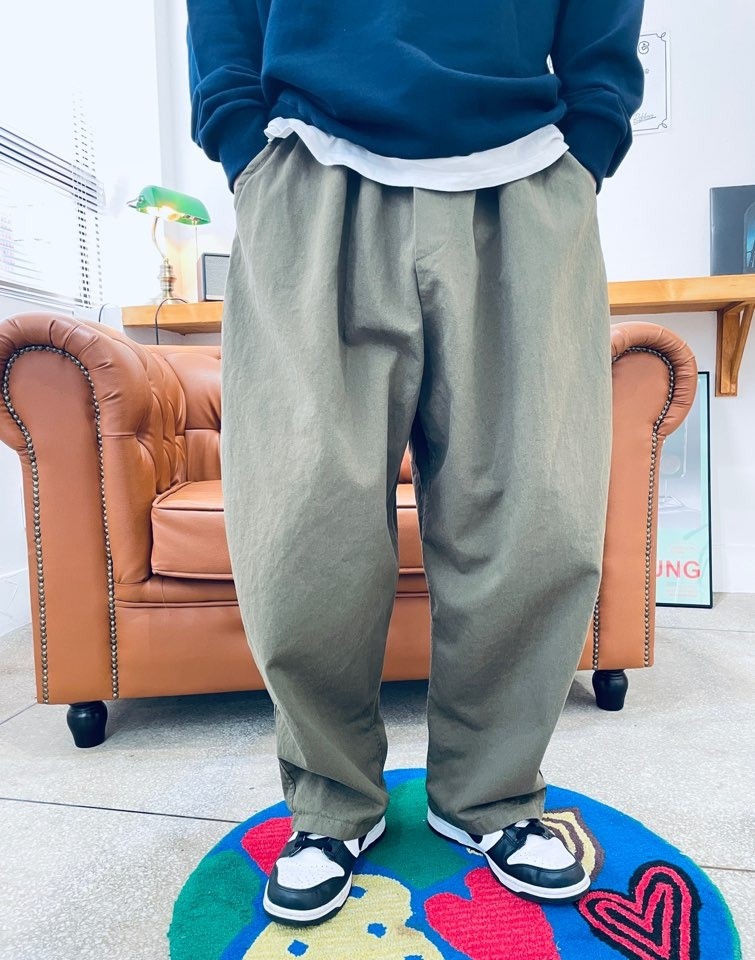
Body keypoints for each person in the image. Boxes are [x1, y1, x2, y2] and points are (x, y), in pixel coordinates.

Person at [186, 0, 645, 927]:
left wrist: (589, 139)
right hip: (309, 171)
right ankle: (329, 800)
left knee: (535, 516)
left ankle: (490, 793)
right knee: (302, 524)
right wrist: (239, 138)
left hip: (522, 179)